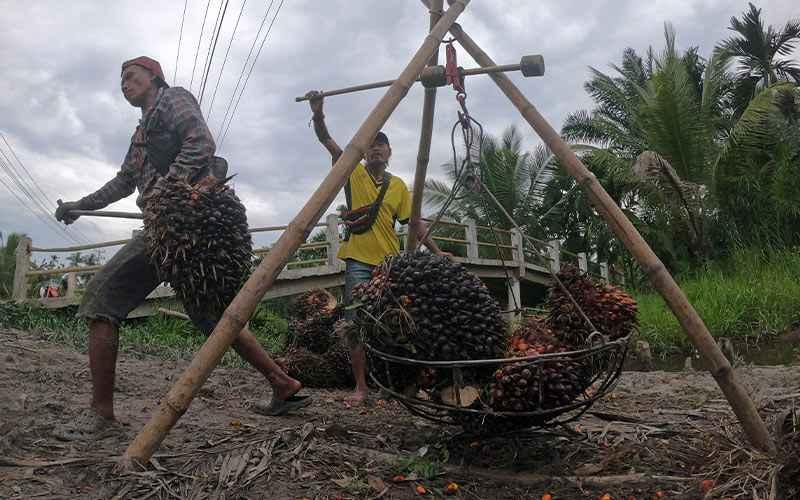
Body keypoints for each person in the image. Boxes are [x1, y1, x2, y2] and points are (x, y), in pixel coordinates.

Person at [53, 57, 309, 440]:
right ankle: (282, 383)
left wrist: (167, 191)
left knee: (101, 303)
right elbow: (123, 183)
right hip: (171, 226)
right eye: (120, 80)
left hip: (180, 223)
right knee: (212, 318)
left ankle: (101, 417)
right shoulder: (140, 137)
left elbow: (201, 141)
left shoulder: (172, 99)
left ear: (153, 77)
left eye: (130, 76)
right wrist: (79, 205)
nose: (124, 84)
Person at [306, 90, 448, 404]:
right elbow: (326, 141)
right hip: (358, 259)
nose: (375, 149)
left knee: (395, 322)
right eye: (371, 145)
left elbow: (413, 223)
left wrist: (439, 254)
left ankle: (395, 383)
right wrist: (318, 113)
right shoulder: (352, 172)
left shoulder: (398, 186)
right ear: (365, 151)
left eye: (380, 145)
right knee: (356, 325)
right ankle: (361, 388)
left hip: (389, 264)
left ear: (389, 152)